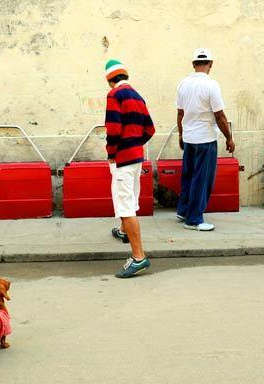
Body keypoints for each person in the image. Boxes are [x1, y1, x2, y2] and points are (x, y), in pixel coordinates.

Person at [104, 59, 155, 278]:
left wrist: (112, 152)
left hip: (123, 159)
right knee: (131, 198)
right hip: (136, 158)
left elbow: (113, 129)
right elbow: (150, 129)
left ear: (109, 80)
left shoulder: (114, 96)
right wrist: (135, 144)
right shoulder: (137, 95)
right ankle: (123, 231)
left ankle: (138, 257)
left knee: (125, 206)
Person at [175, 48, 235, 231]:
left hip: (189, 137)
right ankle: (194, 220)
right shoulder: (211, 85)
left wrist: (180, 134)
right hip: (205, 139)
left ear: (193, 64)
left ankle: (183, 210)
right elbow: (220, 116)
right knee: (202, 179)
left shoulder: (183, 84)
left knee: (189, 175)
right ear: (210, 64)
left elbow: (180, 113)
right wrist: (229, 138)